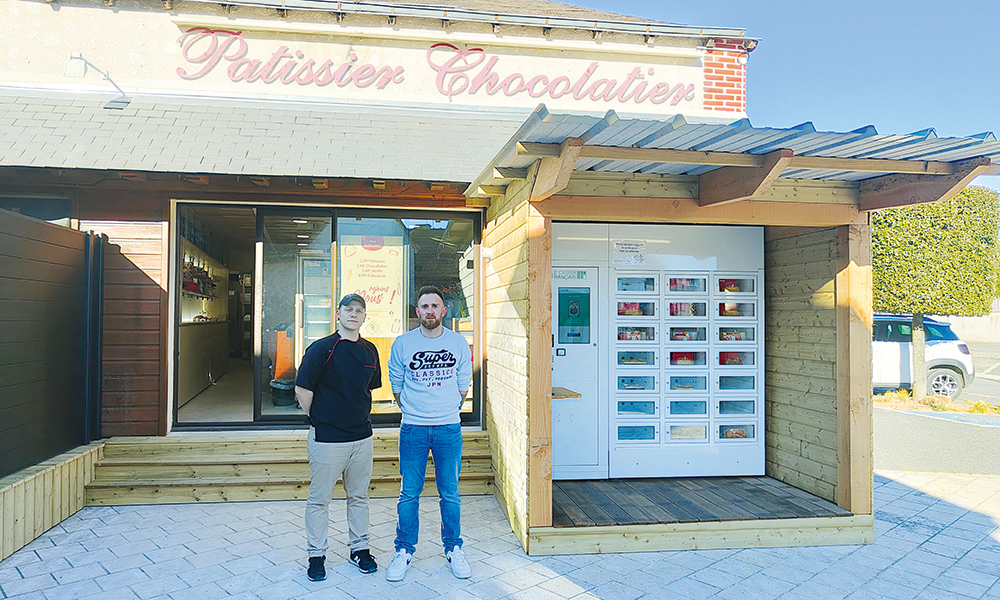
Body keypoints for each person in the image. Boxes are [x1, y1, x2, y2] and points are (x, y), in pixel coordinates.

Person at [385, 285, 473, 582]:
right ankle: (404, 550)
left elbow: (463, 381)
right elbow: (396, 383)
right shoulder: (403, 344)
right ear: (417, 311)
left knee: (450, 492)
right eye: (425, 306)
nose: (430, 311)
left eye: (435, 306)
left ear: (444, 310)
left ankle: (453, 548)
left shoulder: (457, 343)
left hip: (449, 427)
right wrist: (413, 410)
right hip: (413, 428)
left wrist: (447, 408)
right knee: (409, 493)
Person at [295, 293, 381, 581]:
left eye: (359, 310)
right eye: (348, 309)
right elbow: (302, 390)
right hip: (328, 439)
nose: (353, 314)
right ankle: (316, 555)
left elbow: (368, 389)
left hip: (361, 438)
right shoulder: (322, 349)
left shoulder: (370, 351)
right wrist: (320, 418)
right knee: (320, 499)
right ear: (338, 314)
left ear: (364, 317)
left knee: (359, 497)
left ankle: (360, 549)